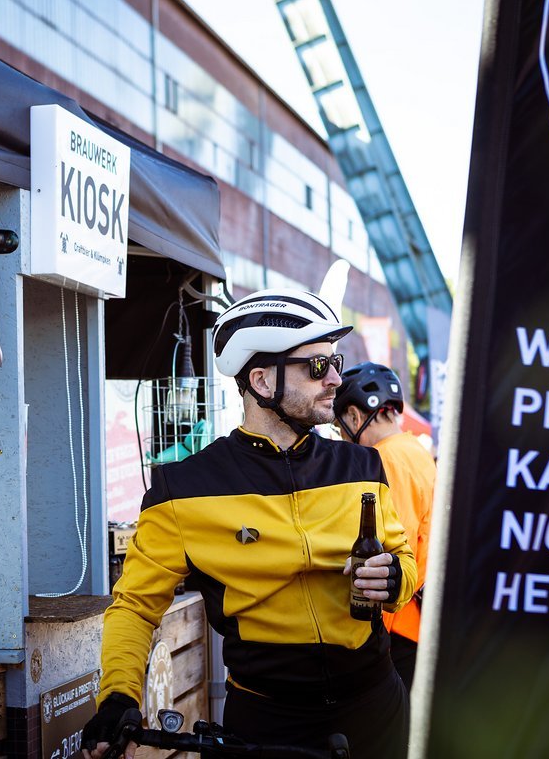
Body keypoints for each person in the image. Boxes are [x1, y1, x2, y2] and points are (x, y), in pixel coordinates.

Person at [82, 289, 416, 759]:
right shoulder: (182, 489)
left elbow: (404, 560)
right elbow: (135, 608)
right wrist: (118, 697)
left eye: (335, 361)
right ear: (261, 381)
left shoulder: (362, 465)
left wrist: (396, 577)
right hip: (268, 725)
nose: (337, 379)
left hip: (376, 706)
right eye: (317, 366)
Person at [334, 362, 434, 690]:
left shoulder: (386, 458)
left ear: (354, 416)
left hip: (402, 628)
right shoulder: (414, 450)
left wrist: (373, 639)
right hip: (422, 622)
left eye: (339, 427)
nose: (341, 436)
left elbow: (393, 550)